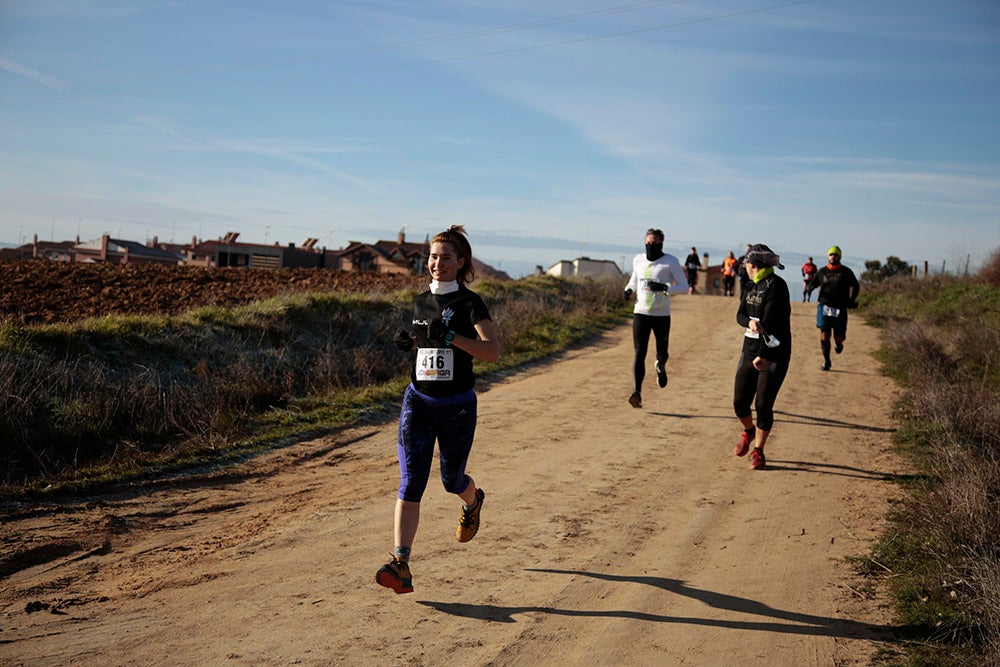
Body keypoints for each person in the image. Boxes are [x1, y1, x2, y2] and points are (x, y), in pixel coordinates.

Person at [376, 225, 501, 594]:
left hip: (457, 406)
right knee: (410, 482)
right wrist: (412, 343)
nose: (437, 263)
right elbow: (428, 348)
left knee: (451, 481)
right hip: (418, 400)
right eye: (433, 256)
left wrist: (451, 337)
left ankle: (472, 500)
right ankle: (401, 564)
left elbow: (492, 351)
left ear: (461, 263)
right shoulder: (420, 301)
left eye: (446, 257)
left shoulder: (470, 303)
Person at [732, 244, 792, 470]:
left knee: (763, 404)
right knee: (739, 402)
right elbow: (740, 315)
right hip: (749, 350)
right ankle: (748, 431)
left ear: (753, 265)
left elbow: (771, 322)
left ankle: (758, 451)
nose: (745, 267)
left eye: (746, 264)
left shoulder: (777, 286)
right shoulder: (750, 285)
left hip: (774, 353)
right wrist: (748, 321)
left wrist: (763, 355)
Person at [623, 229, 688, 409]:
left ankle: (660, 365)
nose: (651, 245)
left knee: (662, 352)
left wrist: (664, 287)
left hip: (661, 314)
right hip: (641, 312)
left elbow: (684, 287)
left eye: (655, 243)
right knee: (639, 353)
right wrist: (628, 290)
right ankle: (637, 392)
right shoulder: (638, 260)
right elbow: (634, 280)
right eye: (648, 242)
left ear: (661, 244)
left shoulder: (671, 262)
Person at [807, 245, 860, 371]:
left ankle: (839, 343)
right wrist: (809, 288)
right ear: (828, 256)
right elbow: (813, 283)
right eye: (831, 254)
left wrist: (851, 301)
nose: (833, 257)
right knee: (824, 334)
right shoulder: (822, 271)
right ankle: (827, 361)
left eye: (835, 255)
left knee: (839, 336)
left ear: (839, 257)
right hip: (824, 307)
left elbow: (855, 286)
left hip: (840, 308)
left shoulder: (846, 272)